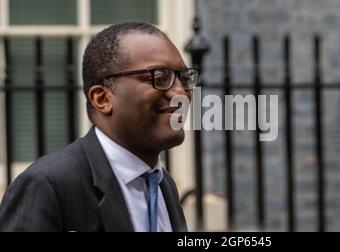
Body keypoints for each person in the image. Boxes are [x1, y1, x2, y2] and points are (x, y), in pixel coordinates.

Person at [0, 22, 197, 232]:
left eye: (185, 79)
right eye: (160, 78)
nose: (181, 93)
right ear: (102, 98)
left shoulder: (162, 184)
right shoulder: (48, 186)